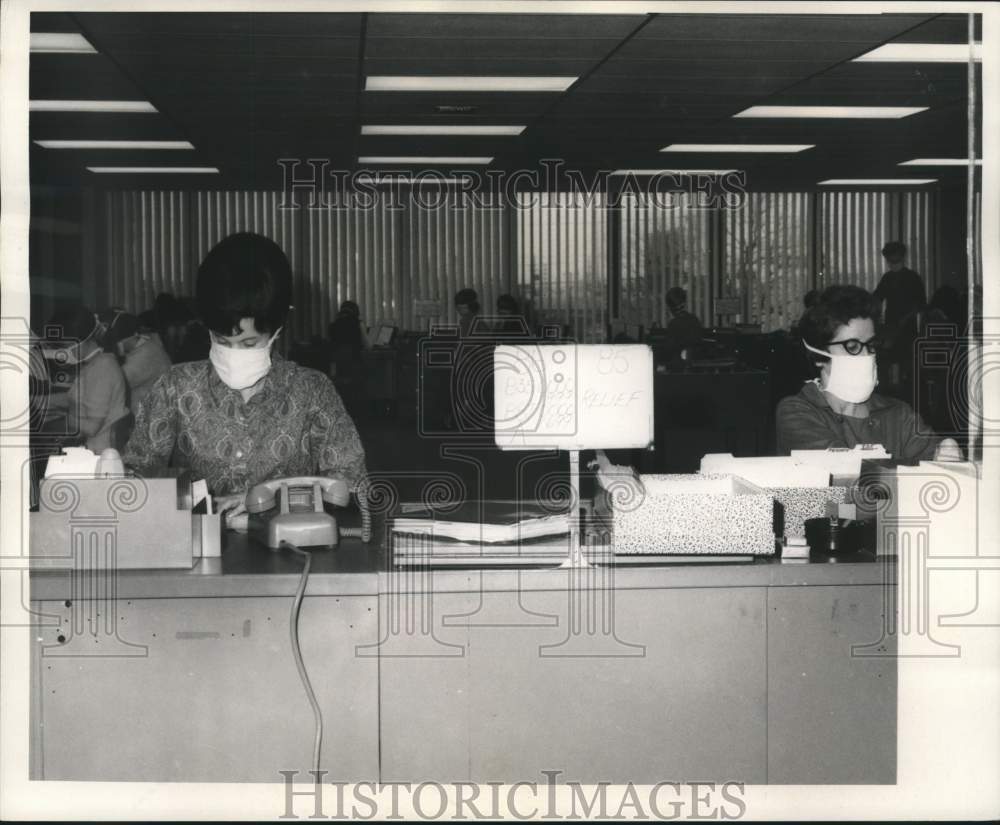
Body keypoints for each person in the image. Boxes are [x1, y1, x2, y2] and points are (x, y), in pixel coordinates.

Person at [124, 232, 367, 520]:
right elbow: (135, 475)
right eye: (221, 339)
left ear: (279, 326)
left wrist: (275, 499)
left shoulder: (313, 391)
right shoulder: (175, 387)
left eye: (249, 343)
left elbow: (353, 486)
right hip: (196, 549)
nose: (233, 351)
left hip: (290, 551)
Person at [775, 285, 962, 462]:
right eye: (853, 346)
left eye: (870, 345)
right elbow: (844, 476)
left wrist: (946, 453)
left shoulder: (898, 414)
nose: (867, 355)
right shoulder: (798, 412)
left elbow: (934, 459)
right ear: (818, 355)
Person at [45, 305, 131, 453]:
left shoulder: (103, 367)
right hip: (89, 445)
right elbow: (78, 398)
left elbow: (91, 428)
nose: (62, 352)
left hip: (98, 450)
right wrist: (43, 402)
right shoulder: (93, 363)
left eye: (64, 346)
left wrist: (62, 417)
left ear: (80, 342)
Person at [873, 241, 926, 394]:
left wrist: (907, 317)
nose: (891, 263)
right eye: (889, 260)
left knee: (907, 366)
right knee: (888, 362)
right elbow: (877, 297)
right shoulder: (887, 278)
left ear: (902, 257)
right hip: (890, 327)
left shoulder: (913, 277)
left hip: (908, 327)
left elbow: (921, 304)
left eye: (894, 260)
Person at [110, 313, 173, 410]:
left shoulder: (146, 355)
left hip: (152, 412)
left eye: (121, 340)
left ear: (135, 334)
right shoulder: (148, 345)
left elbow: (115, 384)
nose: (119, 344)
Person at [327, 300, 370, 414]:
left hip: (338, 368)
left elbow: (331, 349)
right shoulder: (358, 324)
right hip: (354, 367)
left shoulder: (333, 326)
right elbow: (368, 346)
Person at [663, 286, 704, 365]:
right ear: (684, 303)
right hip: (695, 365)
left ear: (670, 308)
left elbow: (668, 350)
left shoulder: (673, 324)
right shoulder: (694, 320)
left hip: (678, 367)